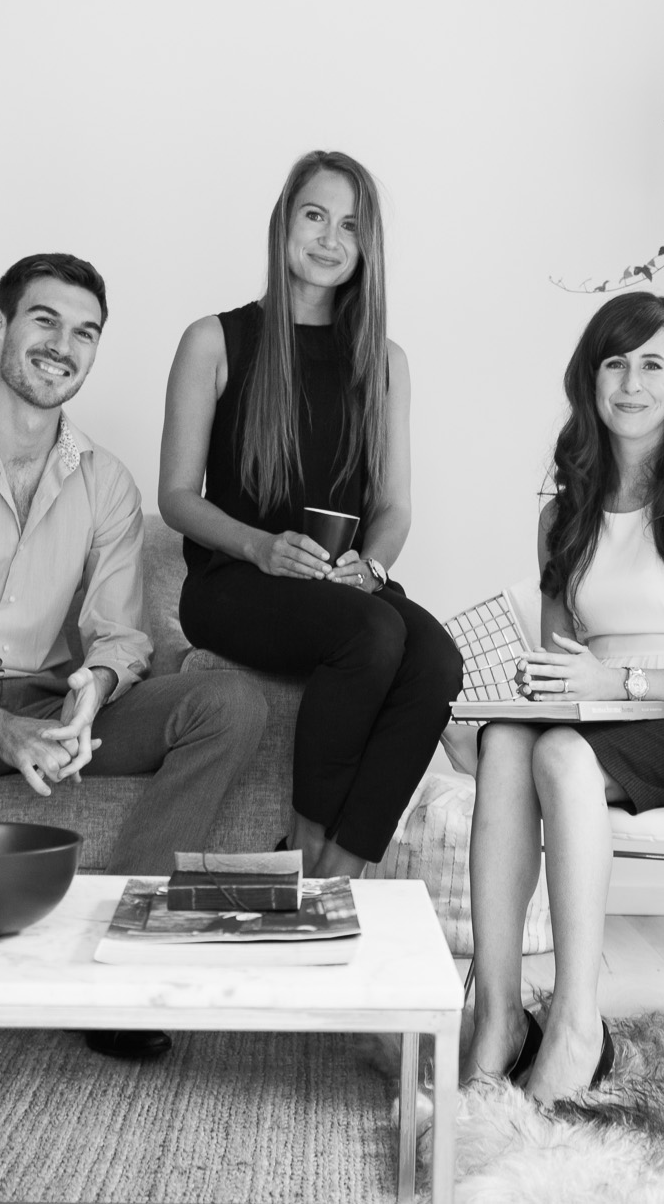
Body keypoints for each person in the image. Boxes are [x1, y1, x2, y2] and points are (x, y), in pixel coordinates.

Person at [0, 252, 267, 1072]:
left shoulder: (107, 482)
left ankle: (121, 961)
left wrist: (91, 694)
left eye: (85, 332)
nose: (62, 346)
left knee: (230, 704)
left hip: (48, 703)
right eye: (45, 320)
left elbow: (121, 634)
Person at [466, 292, 664, 1102]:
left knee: (562, 755)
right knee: (505, 740)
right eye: (615, 363)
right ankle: (498, 1017)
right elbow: (560, 658)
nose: (632, 383)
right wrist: (542, 687)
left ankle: (577, 1023)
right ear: (590, 380)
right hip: (604, 722)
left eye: (651, 364)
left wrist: (623, 681)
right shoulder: (561, 513)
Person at [159, 150, 461, 879]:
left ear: (367, 245)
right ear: (283, 224)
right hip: (234, 583)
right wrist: (260, 548)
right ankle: (297, 846)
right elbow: (177, 496)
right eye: (315, 216)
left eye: (350, 226)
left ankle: (339, 872)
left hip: (338, 585)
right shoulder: (214, 340)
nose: (330, 239)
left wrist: (373, 566)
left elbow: (393, 506)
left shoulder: (384, 361)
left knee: (436, 659)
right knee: (372, 633)